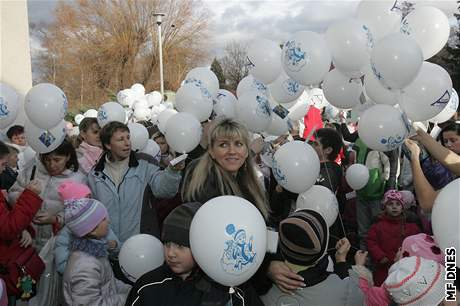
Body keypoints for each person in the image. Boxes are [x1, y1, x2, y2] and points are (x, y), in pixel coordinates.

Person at [125, 202, 263, 306]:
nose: (171, 253)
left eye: (180, 246)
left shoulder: (230, 288)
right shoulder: (148, 285)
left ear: (202, 246)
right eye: (167, 244)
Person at [88, 121, 183, 244]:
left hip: (141, 245)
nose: (127, 143)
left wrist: (172, 172)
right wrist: (106, 241)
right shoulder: (95, 174)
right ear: (107, 145)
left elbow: (164, 191)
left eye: (128, 137)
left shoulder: (145, 163)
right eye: (120, 139)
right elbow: (94, 214)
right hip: (108, 246)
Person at [261, 209, 365, 306]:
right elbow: (359, 296)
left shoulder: (256, 278)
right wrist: (353, 266)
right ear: (323, 252)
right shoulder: (344, 291)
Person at [8, 138, 86, 251]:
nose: (51, 165)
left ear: (68, 157)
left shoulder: (78, 179)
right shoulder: (31, 170)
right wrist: (24, 197)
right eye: (47, 160)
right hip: (27, 239)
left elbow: (81, 211)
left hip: (56, 244)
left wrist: (56, 219)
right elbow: (11, 194)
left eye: (57, 160)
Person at [62, 198, 129, 305]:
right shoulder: (84, 266)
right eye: (103, 219)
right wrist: (126, 299)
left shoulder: (95, 252)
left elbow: (108, 282)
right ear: (92, 229)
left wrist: (130, 290)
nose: (108, 220)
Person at [0, 140, 43, 305]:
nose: (4, 169)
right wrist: (30, 195)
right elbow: (8, 228)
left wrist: (22, 229)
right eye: (3, 164)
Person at [54, 180, 120, 274]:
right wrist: (82, 266)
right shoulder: (65, 237)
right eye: (86, 198)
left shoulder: (101, 224)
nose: (90, 201)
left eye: (90, 197)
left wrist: (114, 246)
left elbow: (116, 248)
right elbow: (62, 266)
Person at [367, 190, 421, 286]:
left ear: (402, 207)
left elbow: (417, 241)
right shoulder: (377, 225)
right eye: (390, 204)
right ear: (385, 207)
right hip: (384, 267)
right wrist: (380, 256)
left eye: (398, 204)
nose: (394, 207)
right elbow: (371, 242)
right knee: (383, 289)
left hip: (405, 267)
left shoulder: (410, 226)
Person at [406, 123, 460, 212]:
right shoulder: (434, 160)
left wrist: (414, 158)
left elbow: (428, 203)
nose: (449, 144)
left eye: (453, 140)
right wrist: (419, 133)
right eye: (445, 141)